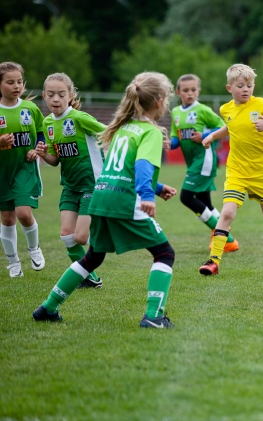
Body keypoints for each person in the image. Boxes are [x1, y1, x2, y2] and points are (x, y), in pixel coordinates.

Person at [33, 71, 179, 329]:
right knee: (164, 253)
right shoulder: (151, 132)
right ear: (159, 101)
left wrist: (155, 188)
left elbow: (119, 167)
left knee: (93, 257)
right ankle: (154, 317)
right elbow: (142, 166)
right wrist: (147, 195)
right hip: (123, 199)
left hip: (100, 196)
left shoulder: (121, 129)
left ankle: (47, 307)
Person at [199, 64, 263, 276]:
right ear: (229, 88)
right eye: (240, 85)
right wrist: (213, 136)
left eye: (249, 85)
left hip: (261, 172)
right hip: (237, 172)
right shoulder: (226, 109)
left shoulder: (262, 105)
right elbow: (231, 126)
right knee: (227, 212)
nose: (246, 89)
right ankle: (213, 261)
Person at [35, 72, 105, 289]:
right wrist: (43, 153)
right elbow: (55, 160)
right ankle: (90, 277)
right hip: (70, 186)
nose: (55, 99)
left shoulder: (79, 118)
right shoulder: (47, 123)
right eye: (51, 94)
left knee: (82, 238)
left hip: (90, 184)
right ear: (44, 96)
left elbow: (109, 132)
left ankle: (105, 225)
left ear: (70, 95)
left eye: (61, 94)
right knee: (67, 236)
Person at [169, 74, 239, 253]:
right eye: (185, 90)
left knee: (186, 197)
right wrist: (169, 143)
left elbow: (224, 127)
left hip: (205, 159)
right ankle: (226, 237)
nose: (190, 93)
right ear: (178, 92)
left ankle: (222, 234)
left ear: (198, 91)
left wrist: (204, 137)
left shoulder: (202, 110)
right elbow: (175, 137)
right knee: (203, 201)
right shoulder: (176, 112)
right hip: (192, 161)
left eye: (193, 90)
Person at [0, 61, 46, 278]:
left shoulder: (30, 108)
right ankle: (13, 261)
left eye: (19, 81)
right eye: (10, 82)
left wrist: (37, 149)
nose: (16, 86)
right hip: (2, 172)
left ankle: (34, 248)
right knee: (7, 218)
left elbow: (40, 132)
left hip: (24, 168)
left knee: (24, 214)